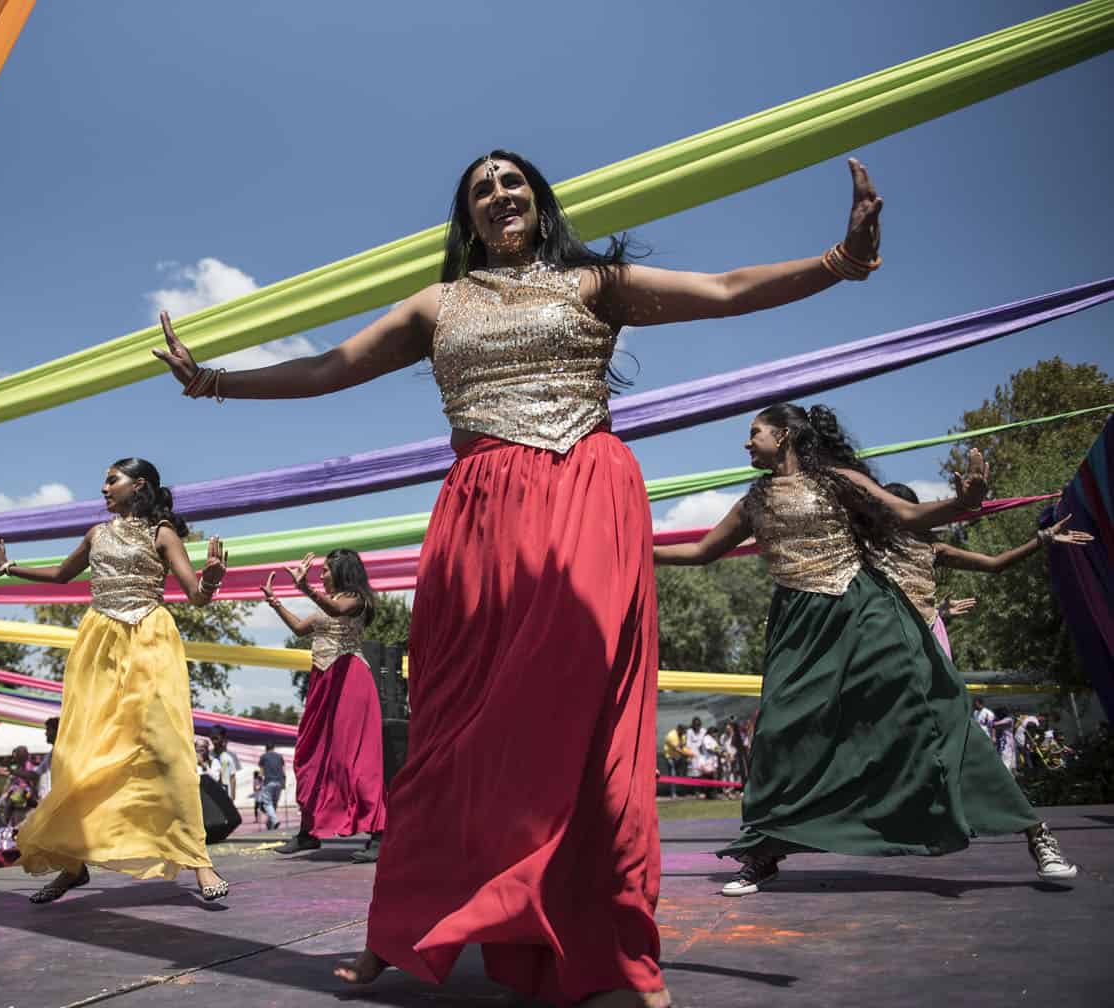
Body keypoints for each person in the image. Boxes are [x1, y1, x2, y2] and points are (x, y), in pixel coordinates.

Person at [155, 149, 887, 1006]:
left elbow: (725, 290)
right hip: (481, 515)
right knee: (452, 729)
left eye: (513, 183)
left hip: (587, 494)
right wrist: (213, 383)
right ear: (467, 219)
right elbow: (328, 370)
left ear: (539, 203)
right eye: (480, 190)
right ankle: (400, 930)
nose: (499, 194)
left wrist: (840, 263)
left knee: (589, 726)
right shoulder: (439, 304)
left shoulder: (593, 284)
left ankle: (615, 945)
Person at [652, 403, 1077, 899]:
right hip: (798, 627)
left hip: (864, 613)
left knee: (936, 714)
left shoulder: (839, 482)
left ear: (784, 436)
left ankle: (1035, 832)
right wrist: (637, 544)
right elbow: (703, 551)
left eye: (755, 433)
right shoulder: (755, 502)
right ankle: (765, 851)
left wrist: (963, 503)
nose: (747, 443)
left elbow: (908, 514)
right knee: (778, 731)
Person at [0, 456, 232, 903]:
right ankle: (73, 865)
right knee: (82, 755)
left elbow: (195, 595)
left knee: (164, 750)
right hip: (98, 642)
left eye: (110, 480)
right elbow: (62, 575)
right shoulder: (96, 534)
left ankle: (198, 861)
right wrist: (8, 567)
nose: (103, 488)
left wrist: (211, 582)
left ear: (138, 487)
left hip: (150, 640)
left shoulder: (163, 533)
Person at [876, 482, 1095, 661]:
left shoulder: (932, 549)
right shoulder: (867, 550)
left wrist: (1044, 537)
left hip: (924, 638)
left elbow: (994, 564)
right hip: (885, 639)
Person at [263, 549, 388, 857]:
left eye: (327, 571)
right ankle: (309, 832)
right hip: (323, 682)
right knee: (310, 755)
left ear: (343, 572)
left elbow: (334, 610)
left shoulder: (356, 600)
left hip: (350, 679)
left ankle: (379, 834)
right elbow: (299, 629)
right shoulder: (328, 603)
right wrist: (275, 602)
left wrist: (305, 587)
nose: (322, 575)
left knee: (353, 759)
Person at [256, 743, 286, 831]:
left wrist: (258, 784)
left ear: (266, 748)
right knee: (274, 803)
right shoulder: (280, 756)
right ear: (273, 748)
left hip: (269, 782)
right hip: (279, 782)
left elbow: (261, 772)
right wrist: (284, 783)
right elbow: (283, 771)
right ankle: (270, 823)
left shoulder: (263, 757)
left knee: (267, 803)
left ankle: (275, 821)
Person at [209, 726, 238, 802]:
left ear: (223, 738)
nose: (214, 742)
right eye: (212, 738)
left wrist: (233, 796)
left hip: (225, 791)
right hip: (211, 792)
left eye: (216, 738)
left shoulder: (230, 756)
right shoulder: (209, 755)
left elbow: (232, 777)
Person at [661, 724, 690, 798]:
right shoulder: (671, 735)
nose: (684, 733)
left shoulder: (683, 736)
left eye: (685, 732)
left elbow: (683, 746)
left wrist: (688, 754)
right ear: (679, 729)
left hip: (678, 757)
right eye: (683, 731)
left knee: (681, 775)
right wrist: (686, 754)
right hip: (670, 757)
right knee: (672, 774)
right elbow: (676, 749)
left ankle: (682, 792)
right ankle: (673, 793)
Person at [37, 717, 59, 802]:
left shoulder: (66, 753)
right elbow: (35, 774)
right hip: (49, 801)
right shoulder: (50, 755)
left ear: (57, 731)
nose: (45, 733)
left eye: (48, 730)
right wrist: (11, 771)